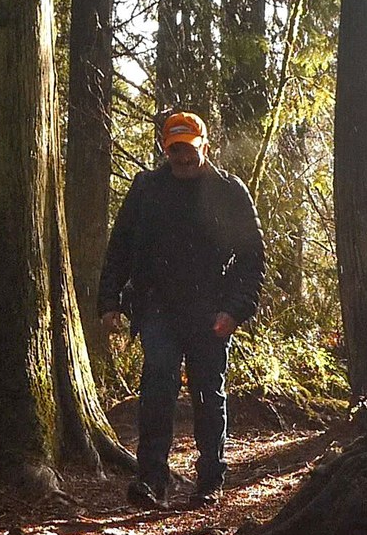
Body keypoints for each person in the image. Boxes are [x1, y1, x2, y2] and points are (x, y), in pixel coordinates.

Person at [98, 111, 265, 509]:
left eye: (189, 149)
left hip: (211, 312)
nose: (183, 158)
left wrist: (235, 310)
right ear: (164, 149)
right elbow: (120, 247)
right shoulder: (147, 189)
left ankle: (210, 481)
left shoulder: (229, 191)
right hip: (157, 308)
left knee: (208, 393)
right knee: (158, 386)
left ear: (204, 146)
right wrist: (109, 301)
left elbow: (252, 258)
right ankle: (151, 479)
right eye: (175, 150)